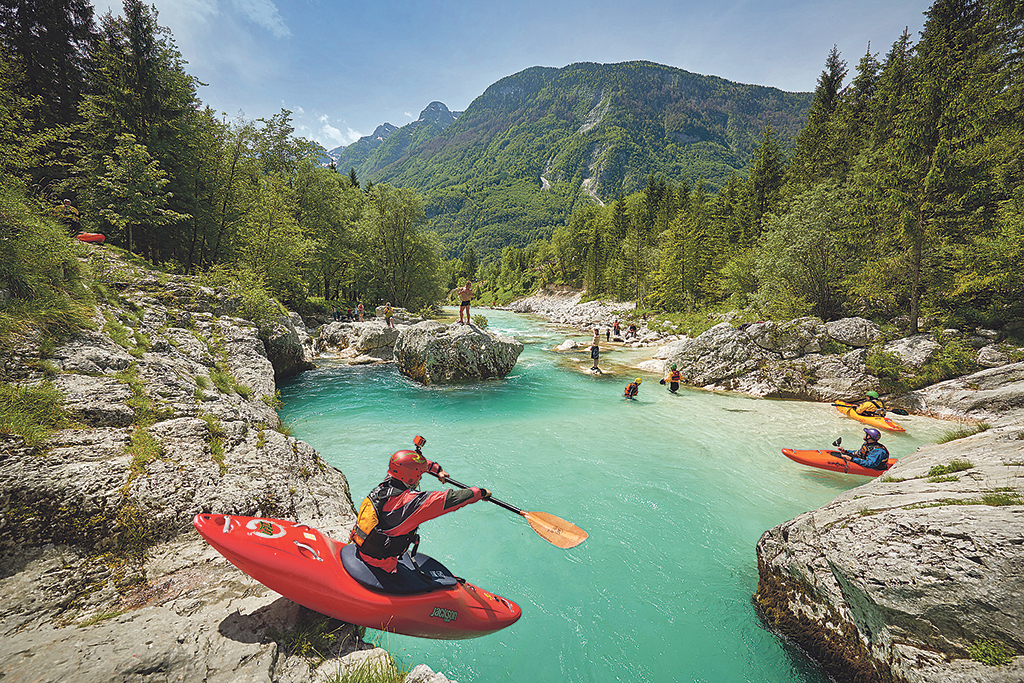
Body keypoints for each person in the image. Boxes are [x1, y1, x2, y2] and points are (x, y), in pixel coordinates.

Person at [349, 437, 491, 573]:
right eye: (420, 474)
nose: (421, 476)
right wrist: (481, 492)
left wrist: (437, 469)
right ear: (412, 475)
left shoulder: (388, 483)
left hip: (364, 548)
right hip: (382, 563)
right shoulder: (412, 503)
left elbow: (410, 464)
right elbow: (452, 499)